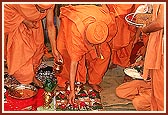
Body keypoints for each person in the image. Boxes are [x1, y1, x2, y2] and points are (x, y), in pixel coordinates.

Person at [56, 4, 117, 104]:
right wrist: (72, 91)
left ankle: (94, 81)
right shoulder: (75, 34)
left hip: (95, 27)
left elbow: (108, 13)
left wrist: (99, 40)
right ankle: (71, 82)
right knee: (68, 55)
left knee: (105, 54)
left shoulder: (105, 21)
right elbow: (74, 63)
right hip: (73, 22)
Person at [4, 4, 62, 87]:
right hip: (18, 24)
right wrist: (24, 20)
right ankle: (26, 80)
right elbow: (5, 8)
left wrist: (54, 49)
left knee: (37, 53)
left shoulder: (50, 4)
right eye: (40, 10)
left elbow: (50, 25)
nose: (42, 12)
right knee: (20, 57)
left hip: (35, 25)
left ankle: (31, 77)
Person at [141, 4, 164, 111]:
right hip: (157, 44)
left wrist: (145, 29)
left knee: (160, 91)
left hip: (162, 49)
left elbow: (160, 23)